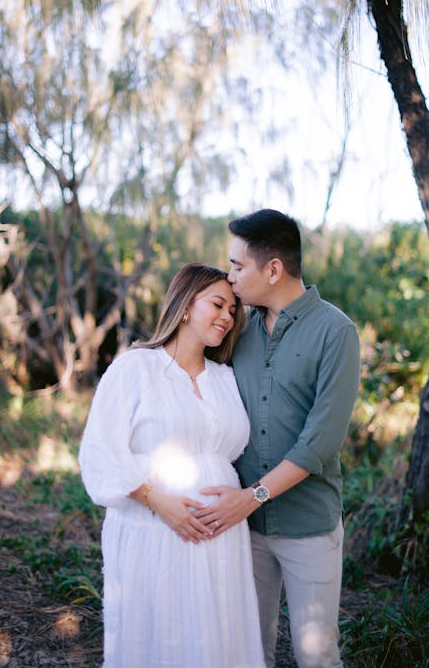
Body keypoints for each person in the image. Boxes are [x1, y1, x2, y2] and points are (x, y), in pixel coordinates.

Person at [194, 209, 361, 668]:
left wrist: (252, 496)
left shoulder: (336, 332)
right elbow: (191, 364)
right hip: (244, 530)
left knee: (317, 654)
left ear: (273, 269)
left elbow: (320, 442)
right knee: (250, 650)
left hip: (309, 526)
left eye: (237, 266)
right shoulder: (238, 329)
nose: (230, 277)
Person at [78, 263, 266, 668]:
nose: (227, 317)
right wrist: (155, 500)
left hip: (222, 535)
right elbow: (100, 450)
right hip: (154, 530)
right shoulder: (137, 368)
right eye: (217, 304)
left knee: (217, 639)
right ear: (184, 306)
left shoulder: (225, 378)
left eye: (233, 310)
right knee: (164, 635)